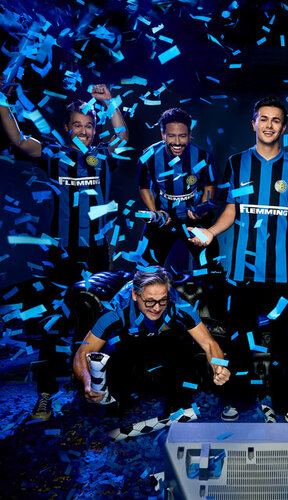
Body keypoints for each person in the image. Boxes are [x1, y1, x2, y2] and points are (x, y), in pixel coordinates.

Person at [189, 96, 288, 423]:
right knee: (239, 340)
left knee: (286, 342)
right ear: (254, 123)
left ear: (283, 128)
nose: (269, 125)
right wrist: (211, 233)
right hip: (242, 272)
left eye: (276, 120)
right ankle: (237, 400)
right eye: (264, 119)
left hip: (284, 275)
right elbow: (231, 210)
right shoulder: (237, 163)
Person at [0, 84, 128, 421]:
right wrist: (1, 99)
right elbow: (18, 139)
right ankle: (44, 397)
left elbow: (122, 134)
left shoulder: (104, 157)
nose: (83, 131)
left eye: (89, 126)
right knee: (55, 322)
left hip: (98, 255)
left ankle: (93, 390)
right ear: (66, 127)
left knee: (97, 323)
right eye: (77, 125)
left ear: (95, 129)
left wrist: (110, 102)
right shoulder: (54, 155)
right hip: (62, 255)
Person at [73, 266, 230, 416]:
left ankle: (177, 403)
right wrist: (88, 383)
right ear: (135, 294)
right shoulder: (116, 310)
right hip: (129, 342)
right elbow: (83, 352)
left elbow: (209, 344)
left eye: (162, 300)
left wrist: (219, 368)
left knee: (183, 350)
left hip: (167, 340)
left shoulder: (178, 305)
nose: (156, 308)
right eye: (149, 301)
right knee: (113, 399)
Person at [137, 107, 226, 319]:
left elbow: (210, 185)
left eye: (183, 136)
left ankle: (217, 320)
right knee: (144, 271)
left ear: (190, 134)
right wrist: (156, 212)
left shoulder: (203, 156)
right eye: (171, 136)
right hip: (163, 221)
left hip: (194, 220)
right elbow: (144, 187)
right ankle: (144, 321)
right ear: (162, 134)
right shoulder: (148, 157)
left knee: (213, 269)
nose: (177, 142)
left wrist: (201, 210)